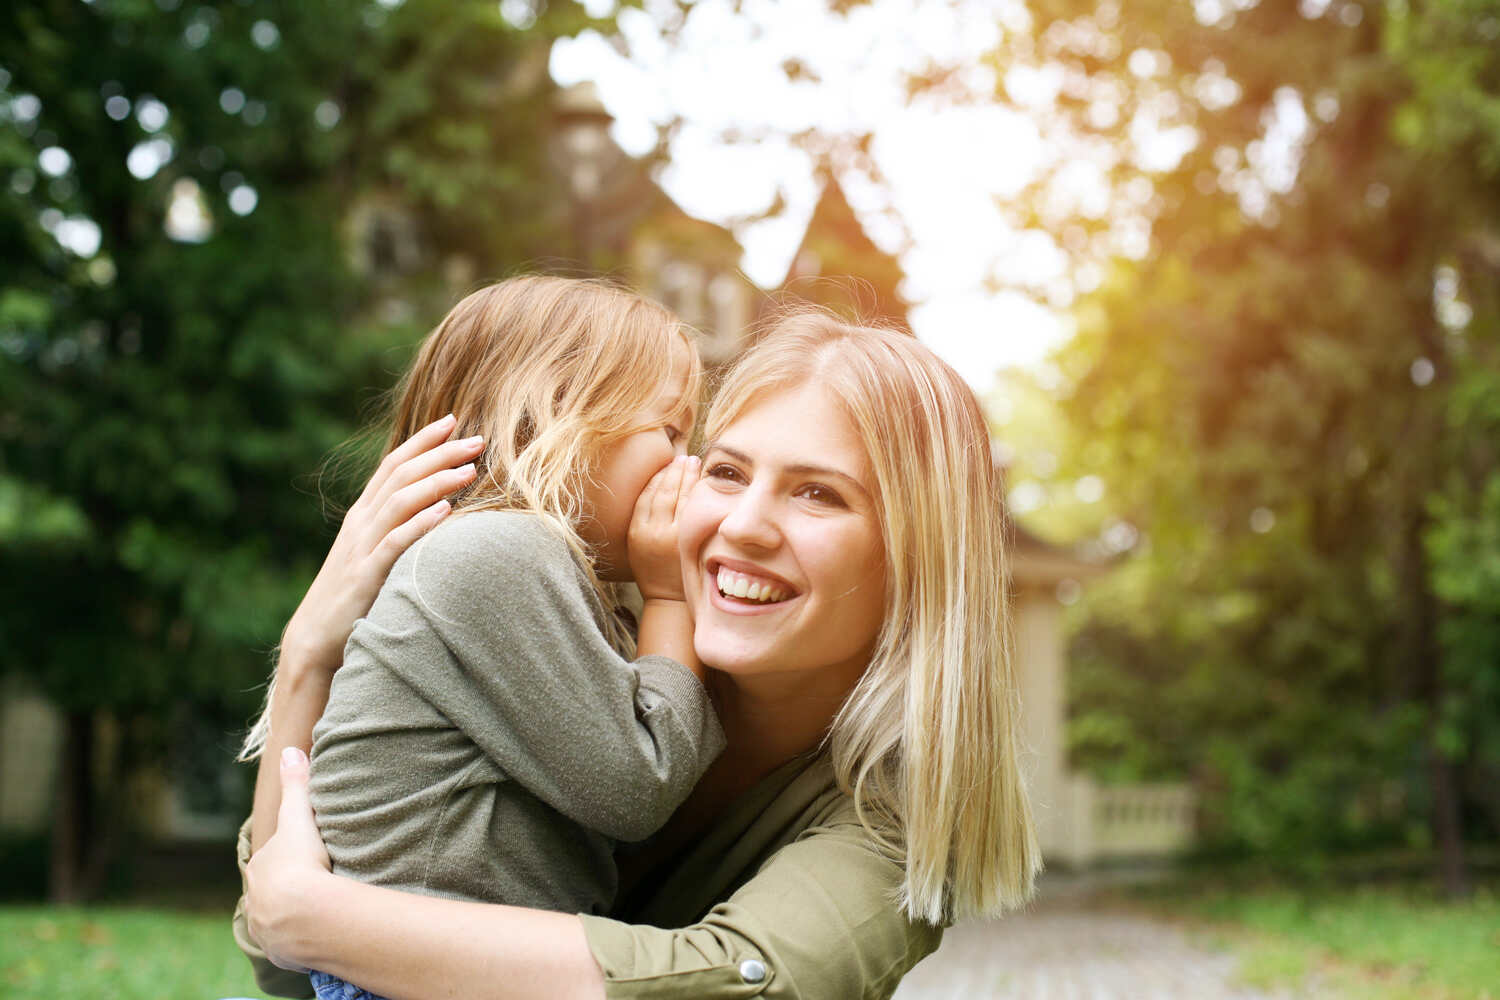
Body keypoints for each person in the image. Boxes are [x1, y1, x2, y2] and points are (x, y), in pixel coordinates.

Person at [236, 310, 1042, 1000]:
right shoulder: (587, 644)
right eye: (724, 471)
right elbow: (276, 951)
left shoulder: (894, 817)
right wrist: (310, 655)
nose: (744, 525)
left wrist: (324, 919)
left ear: (917, 561)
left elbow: (743, 982)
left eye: (817, 493)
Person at [236, 275, 724, 1000]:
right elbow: (638, 784)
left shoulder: (506, 567)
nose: (690, 465)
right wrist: (668, 596)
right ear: (560, 419)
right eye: (671, 431)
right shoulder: (500, 553)